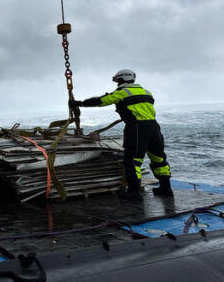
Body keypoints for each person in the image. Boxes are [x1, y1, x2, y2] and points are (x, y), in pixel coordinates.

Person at [70, 69, 172, 200]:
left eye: (117, 80)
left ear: (121, 79)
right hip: (154, 128)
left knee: (132, 161)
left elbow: (101, 101)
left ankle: (134, 192)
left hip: (136, 128)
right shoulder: (147, 92)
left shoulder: (122, 92)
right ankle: (166, 188)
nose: (117, 83)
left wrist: (79, 103)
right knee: (159, 159)